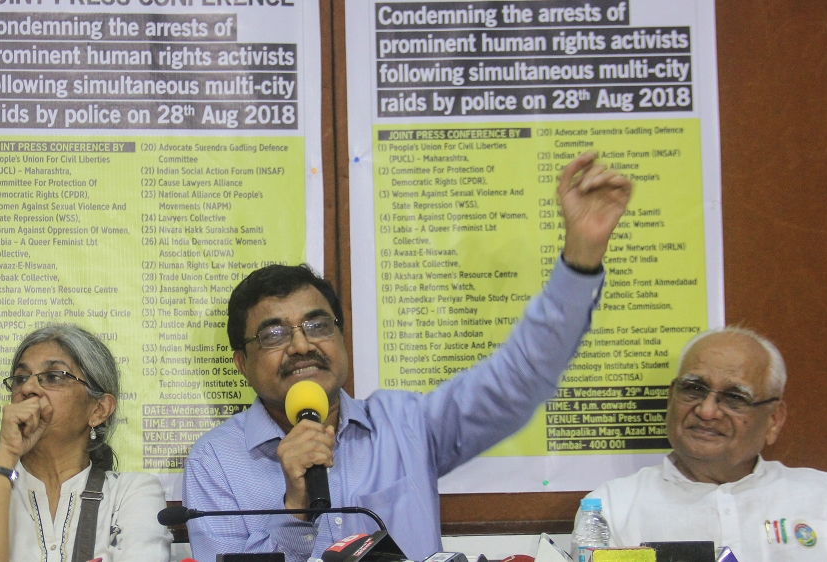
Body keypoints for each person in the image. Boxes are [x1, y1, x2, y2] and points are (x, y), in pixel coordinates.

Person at [183, 151, 633, 562]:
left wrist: (581, 260)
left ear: (342, 338)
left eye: (318, 325)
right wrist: (296, 509)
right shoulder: (215, 462)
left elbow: (518, 378)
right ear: (242, 363)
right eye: (274, 333)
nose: (302, 346)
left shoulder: (405, 427)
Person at [587, 327, 827, 561]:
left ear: (773, 420)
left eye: (734, 398)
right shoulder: (613, 509)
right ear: (671, 399)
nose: (707, 411)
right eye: (694, 389)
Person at [0, 324, 172, 562]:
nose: (28, 388)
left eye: (54, 377)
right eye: (21, 378)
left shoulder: (132, 493)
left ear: (99, 410)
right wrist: (6, 457)